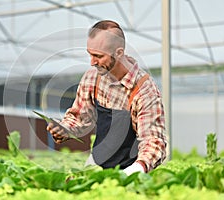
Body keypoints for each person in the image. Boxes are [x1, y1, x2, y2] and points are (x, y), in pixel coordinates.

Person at [47, 20, 167, 175]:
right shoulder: (93, 77)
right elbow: (80, 117)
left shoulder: (144, 90)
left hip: (131, 168)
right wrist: (65, 129)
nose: (92, 62)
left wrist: (135, 170)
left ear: (118, 53)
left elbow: (153, 141)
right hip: (96, 163)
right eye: (90, 54)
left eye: (98, 56)